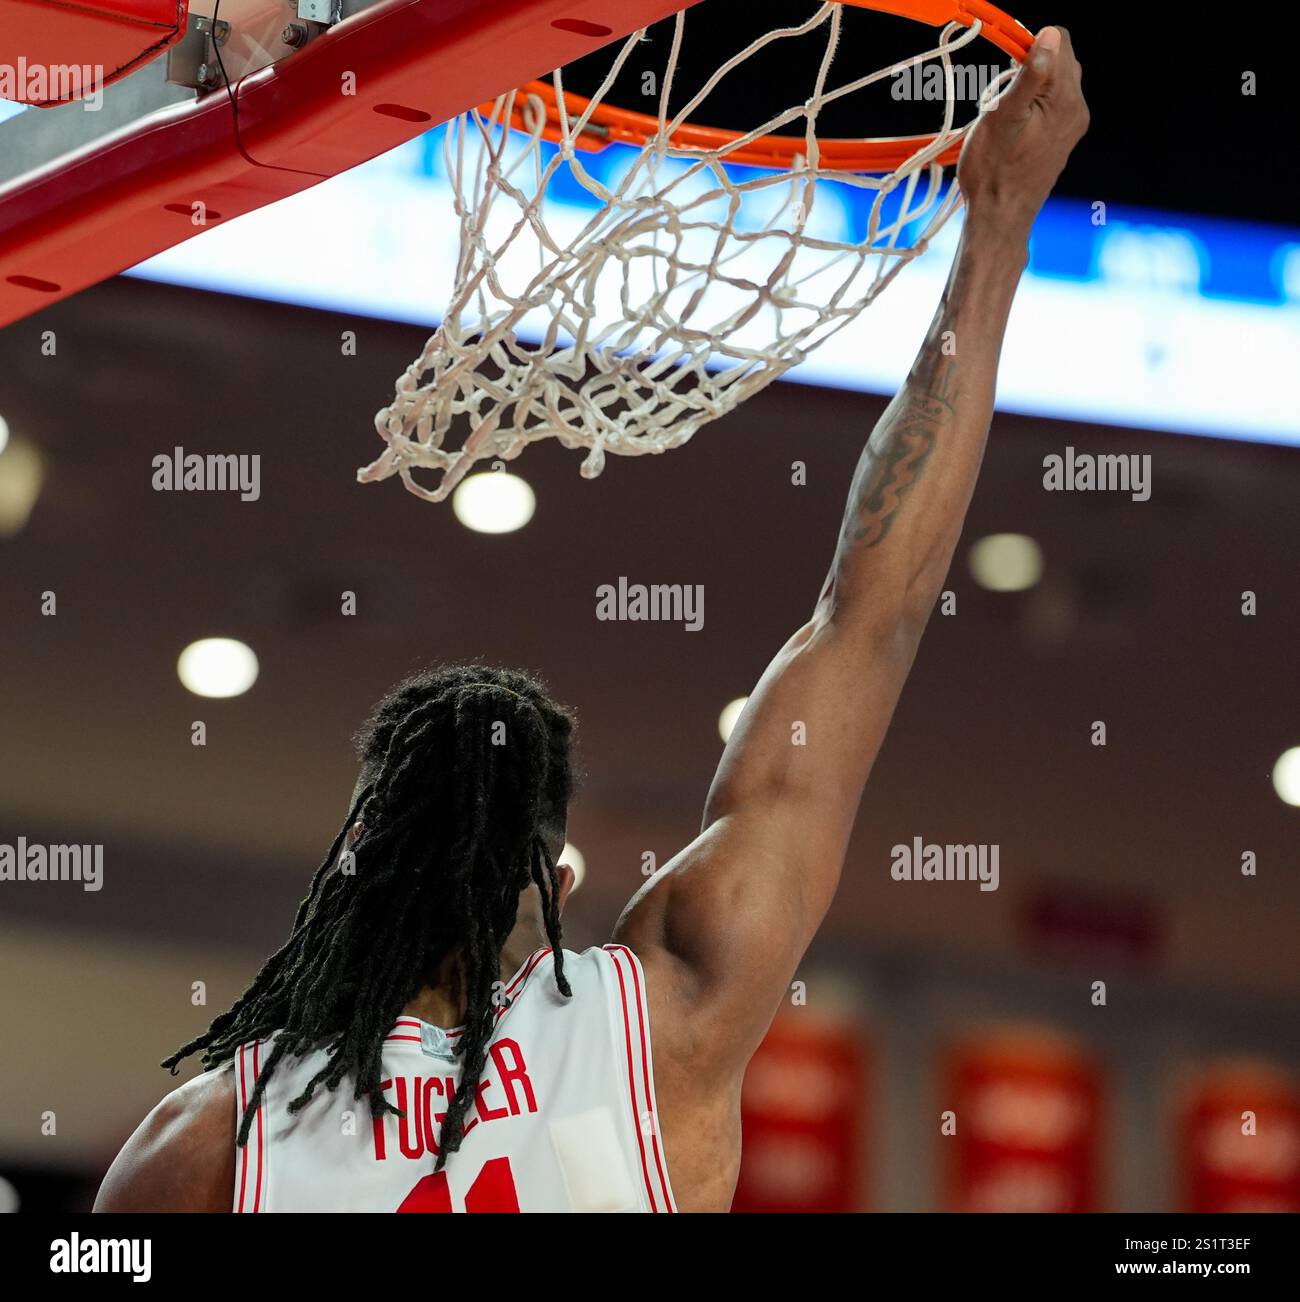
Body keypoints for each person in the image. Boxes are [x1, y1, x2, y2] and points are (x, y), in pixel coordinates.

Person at [94, 26, 1088, 1213]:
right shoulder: (667, 1018)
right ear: (541, 873)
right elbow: (869, 618)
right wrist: (994, 232)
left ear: (349, 855)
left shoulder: (207, 1141)